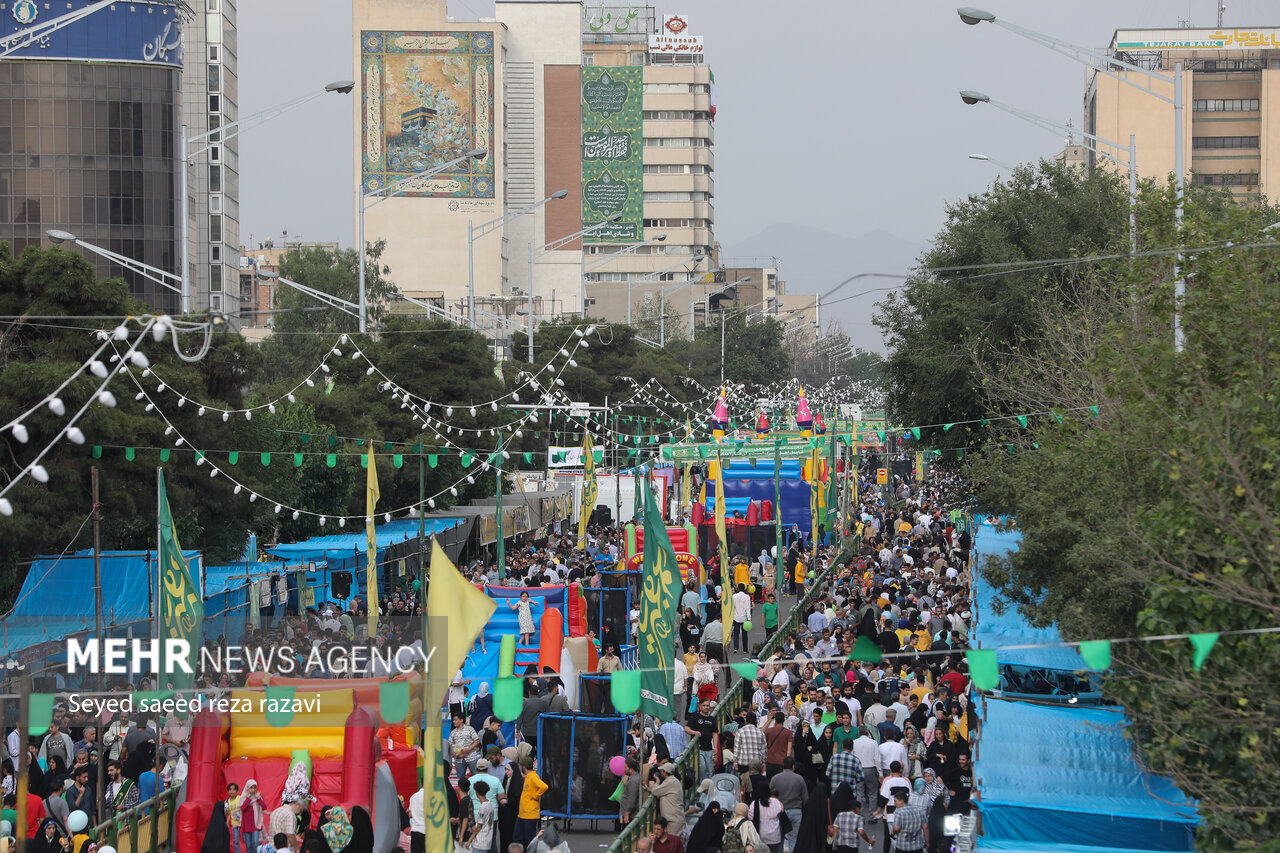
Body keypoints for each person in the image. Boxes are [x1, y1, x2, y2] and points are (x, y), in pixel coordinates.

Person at [770, 757, 807, 853]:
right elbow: (805, 799)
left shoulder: (775, 778)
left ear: (783, 766)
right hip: (796, 811)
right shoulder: (799, 779)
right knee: (793, 839)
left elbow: (769, 796)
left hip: (780, 812)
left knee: (779, 839)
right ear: (793, 766)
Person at [513, 757, 545, 847]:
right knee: (518, 838)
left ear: (523, 767)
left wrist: (535, 796)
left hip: (530, 814)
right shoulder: (528, 777)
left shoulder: (533, 777)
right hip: (522, 814)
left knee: (529, 840)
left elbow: (544, 786)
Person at [648, 763, 685, 837]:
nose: (660, 773)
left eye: (661, 771)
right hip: (674, 819)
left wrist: (657, 782)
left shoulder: (670, 782)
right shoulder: (673, 781)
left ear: (665, 772)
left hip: (673, 820)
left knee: (673, 844)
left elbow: (655, 791)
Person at [889, 788, 928, 853]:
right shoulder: (919, 811)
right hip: (917, 846)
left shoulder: (899, 812)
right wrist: (927, 842)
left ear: (901, 801)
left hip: (903, 847)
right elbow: (925, 827)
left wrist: (893, 833)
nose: (894, 803)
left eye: (895, 801)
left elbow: (896, 828)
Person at [748, 786, 785, 853]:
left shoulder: (755, 803)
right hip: (775, 836)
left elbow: (750, 817)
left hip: (761, 835)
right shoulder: (776, 801)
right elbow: (781, 810)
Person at [238, 780, 265, 853]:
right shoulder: (244, 797)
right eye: (251, 788)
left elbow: (264, 807)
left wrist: (259, 798)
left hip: (255, 825)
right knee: (248, 846)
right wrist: (248, 798)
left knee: (255, 844)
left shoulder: (257, 797)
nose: (253, 790)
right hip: (246, 825)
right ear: (247, 788)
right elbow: (242, 808)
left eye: (254, 788)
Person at [469, 780, 496, 853]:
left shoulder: (483, 807)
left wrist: (470, 840)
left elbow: (479, 827)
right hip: (487, 840)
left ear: (477, 792)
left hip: (480, 842)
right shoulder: (489, 804)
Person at [618, 758, 642, 826]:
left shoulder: (633, 781)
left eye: (625, 767)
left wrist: (627, 813)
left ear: (631, 769)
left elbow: (632, 797)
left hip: (630, 815)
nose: (624, 769)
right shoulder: (634, 778)